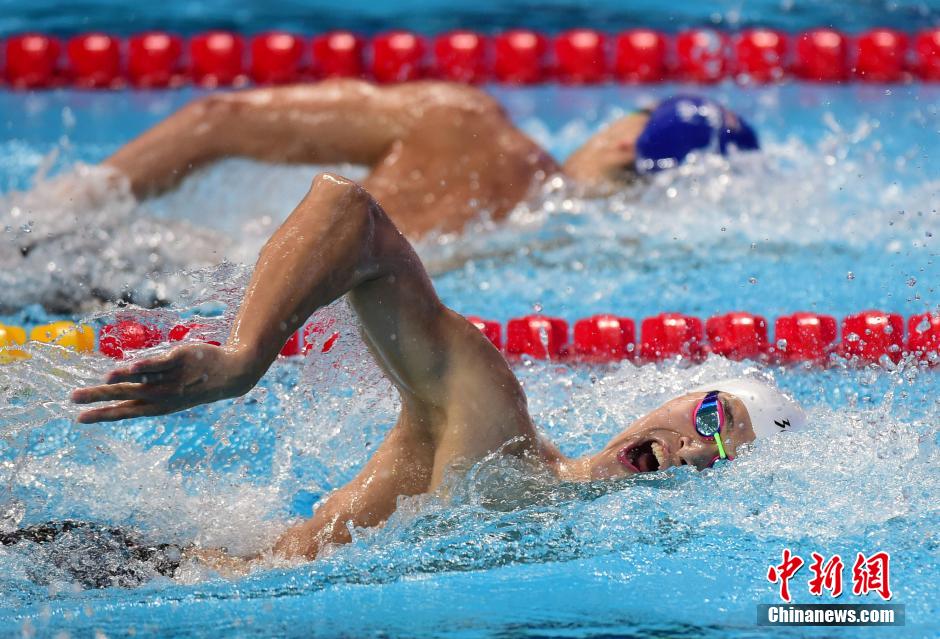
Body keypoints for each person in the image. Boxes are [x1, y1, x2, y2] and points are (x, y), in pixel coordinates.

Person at [64, 171, 803, 578]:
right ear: (678, 396)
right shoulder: (497, 438)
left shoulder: (594, 552)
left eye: (725, 459)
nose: (699, 450)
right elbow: (349, 211)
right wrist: (243, 358)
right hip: (140, 577)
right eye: (713, 417)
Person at [99, 82, 759, 238]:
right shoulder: (565, 243)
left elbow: (219, 119)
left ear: (624, 139)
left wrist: (63, 205)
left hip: (174, 273)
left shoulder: (465, 124)